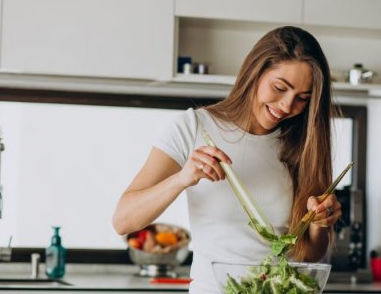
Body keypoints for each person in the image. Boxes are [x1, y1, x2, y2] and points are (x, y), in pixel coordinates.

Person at [112, 26, 342, 293]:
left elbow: (308, 255)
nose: (287, 106)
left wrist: (319, 224)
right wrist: (182, 178)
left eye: (302, 99)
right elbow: (123, 221)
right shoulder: (194, 127)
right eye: (279, 88)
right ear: (255, 72)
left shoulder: (304, 145)